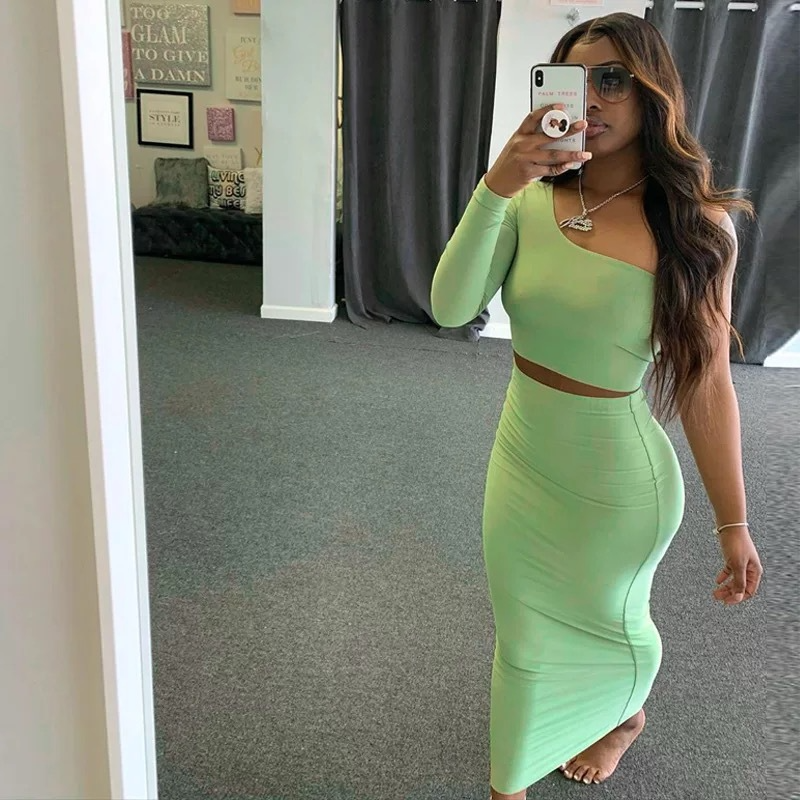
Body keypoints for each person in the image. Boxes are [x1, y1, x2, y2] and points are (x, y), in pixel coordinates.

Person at [429, 13, 763, 800]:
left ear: (653, 93)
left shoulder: (696, 225)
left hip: (619, 480)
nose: (593, 98)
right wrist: (497, 182)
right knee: (523, 635)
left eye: (613, 79)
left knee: (614, 618)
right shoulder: (526, 199)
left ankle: (623, 714)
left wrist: (734, 522)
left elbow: (708, 383)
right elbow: (450, 308)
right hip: (523, 451)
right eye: (575, 80)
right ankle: (513, 780)